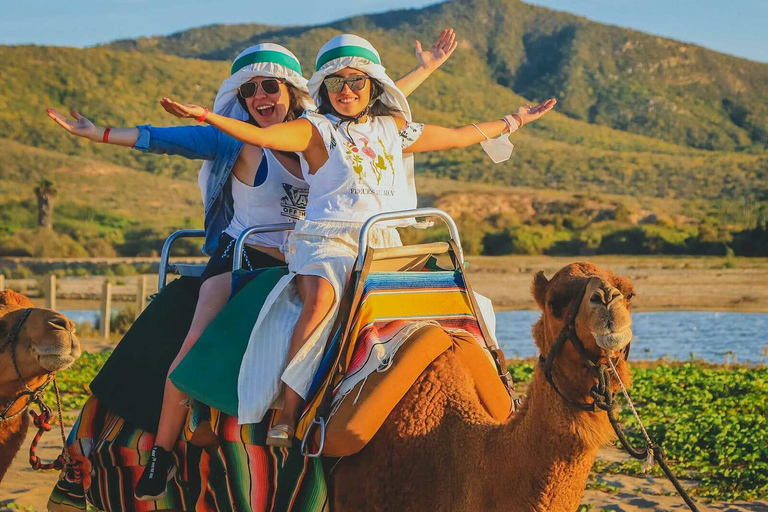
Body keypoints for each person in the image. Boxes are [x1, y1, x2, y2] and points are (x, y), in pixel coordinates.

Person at [46, 31, 458, 502]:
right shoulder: (234, 138)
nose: (260, 97)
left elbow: (364, 103)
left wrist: (425, 69)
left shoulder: (322, 130)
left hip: (316, 253)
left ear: (294, 92)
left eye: (270, 87)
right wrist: (100, 133)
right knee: (198, 337)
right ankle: (162, 450)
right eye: (250, 90)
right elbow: (164, 139)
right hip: (246, 255)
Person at [162, 33, 556, 448]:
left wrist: (514, 120)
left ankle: (497, 391)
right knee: (320, 299)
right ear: (323, 90)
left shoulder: (393, 128)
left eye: (356, 81)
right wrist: (208, 115)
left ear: (372, 85)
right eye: (335, 83)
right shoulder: (314, 129)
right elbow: (262, 137)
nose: (346, 90)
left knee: (466, 299)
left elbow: (458, 135)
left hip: (382, 240)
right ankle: (288, 412)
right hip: (328, 239)